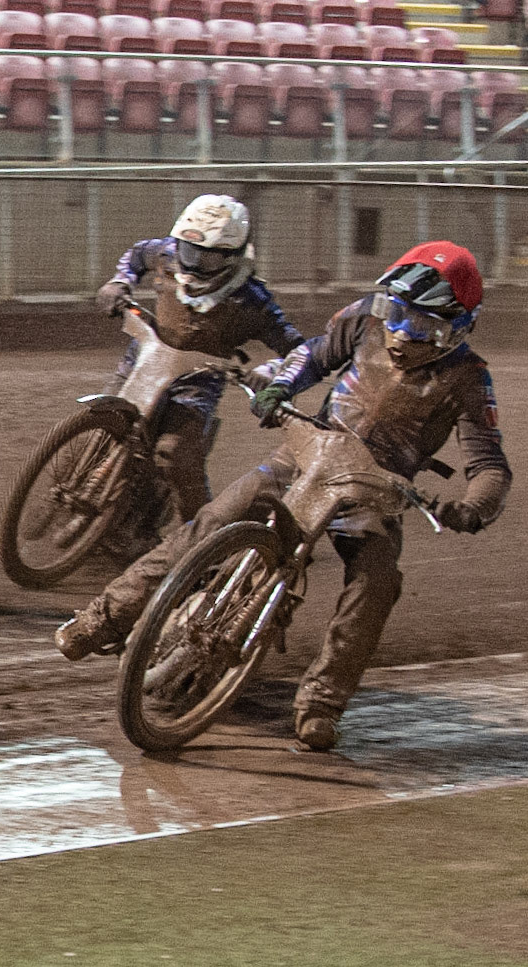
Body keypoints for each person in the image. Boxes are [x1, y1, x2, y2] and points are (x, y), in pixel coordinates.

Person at [57, 241, 512, 750]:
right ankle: (103, 616)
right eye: (396, 314)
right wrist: (281, 385)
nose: (402, 335)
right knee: (212, 520)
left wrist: (474, 507)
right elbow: (313, 355)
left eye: (422, 326)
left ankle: (321, 702)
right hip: (307, 452)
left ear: (458, 328)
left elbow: (490, 466)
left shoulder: (471, 380)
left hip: (375, 491)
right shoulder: (363, 319)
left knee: (377, 581)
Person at [95, 194, 304, 528]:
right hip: (144, 358)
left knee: (176, 456)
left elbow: (296, 348)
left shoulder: (252, 299)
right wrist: (120, 281)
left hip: (197, 382)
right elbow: (136, 256)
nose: (192, 265)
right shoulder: (166, 252)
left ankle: (199, 537)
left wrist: (272, 370)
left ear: (232, 257)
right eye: (189, 252)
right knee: (105, 419)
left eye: (207, 259)